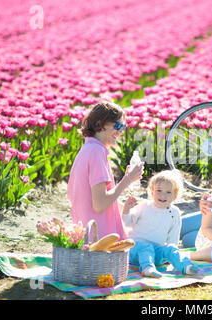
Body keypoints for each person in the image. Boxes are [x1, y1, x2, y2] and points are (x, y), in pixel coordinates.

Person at [67, 101, 144, 240]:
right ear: (100, 124)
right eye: (118, 126)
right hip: (101, 243)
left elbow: (90, 199)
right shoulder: (96, 153)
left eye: (123, 127)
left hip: (89, 238)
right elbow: (100, 205)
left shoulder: (88, 150)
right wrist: (127, 180)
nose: (120, 131)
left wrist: (123, 207)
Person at [122, 170, 199, 278]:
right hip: (136, 250)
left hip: (156, 251)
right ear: (152, 191)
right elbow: (128, 223)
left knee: (171, 249)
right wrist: (126, 211)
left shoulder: (174, 212)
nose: (163, 195)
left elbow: (173, 237)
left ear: (175, 195)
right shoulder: (144, 206)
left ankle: (186, 267)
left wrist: (169, 256)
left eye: (168, 192)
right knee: (146, 248)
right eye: (159, 190)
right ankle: (147, 268)